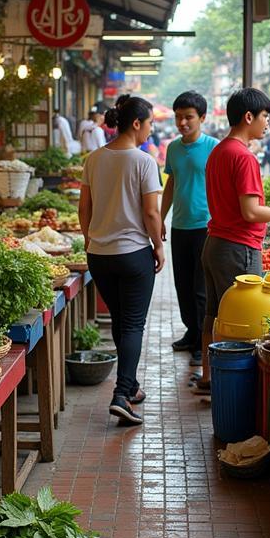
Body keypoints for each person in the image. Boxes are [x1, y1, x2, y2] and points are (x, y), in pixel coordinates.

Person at [193, 89, 270, 395]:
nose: (268, 123)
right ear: (248, 117)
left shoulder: (219, 151)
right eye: (265, 116)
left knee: (214, 315)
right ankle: (237, 390)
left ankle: (209, 375)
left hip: (215, 244)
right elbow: (251, 211)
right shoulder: (243, 156)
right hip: (237, 248)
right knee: (242, 321)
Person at [78, 97, 164, 426]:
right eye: (151, 123)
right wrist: (157, 246)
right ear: (137, 124)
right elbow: (151, 212)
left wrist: (90, 238)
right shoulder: (143, 162)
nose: (152, 129)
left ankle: (133, 386)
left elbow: (84, 208)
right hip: (133, 255)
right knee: (132, 325)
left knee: (120, 320)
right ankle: (122, 394)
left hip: (100, 256)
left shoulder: (94, 159)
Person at [161, 91, 218, 367]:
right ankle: (191, 331)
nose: (182, 122)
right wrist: (160, 218)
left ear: (202, 118)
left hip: (205, 226)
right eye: (178, 117)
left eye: (188, 117)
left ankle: (200, 343)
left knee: (200, 288)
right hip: (180, 225)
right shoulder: (173, 148)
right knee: (182, 284)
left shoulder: (214, 147)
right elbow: (171, 183)